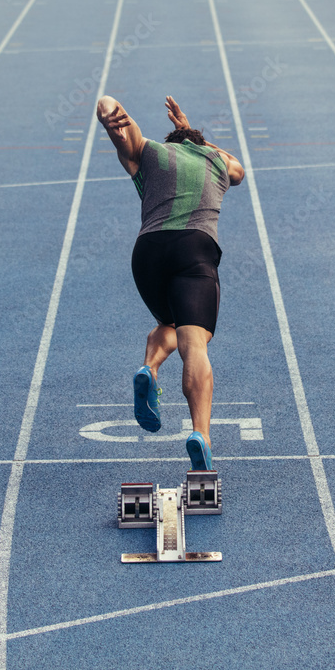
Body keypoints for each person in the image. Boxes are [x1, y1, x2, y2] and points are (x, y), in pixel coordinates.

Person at [96, 94, 245, 471]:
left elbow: (110, 108)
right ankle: (201, 434)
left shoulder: (150, 153)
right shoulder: (216, 161)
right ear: (197, 144)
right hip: (194, 248)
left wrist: (109, 114)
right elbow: (240, 170)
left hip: (147, 253)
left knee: (170, 326)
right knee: (194, 343)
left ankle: (150, 367)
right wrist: (198, 136)